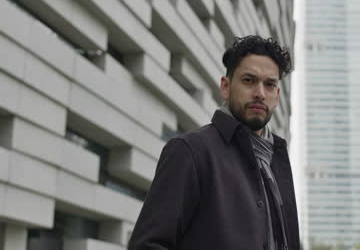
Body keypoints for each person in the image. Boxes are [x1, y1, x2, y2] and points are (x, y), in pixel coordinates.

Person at [128, 35, 299, 250]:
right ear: (226, 87)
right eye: (249, 80)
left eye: (270, 84)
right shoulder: (190, 151)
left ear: (277, 95)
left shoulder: (277, 163)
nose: (260, 93)